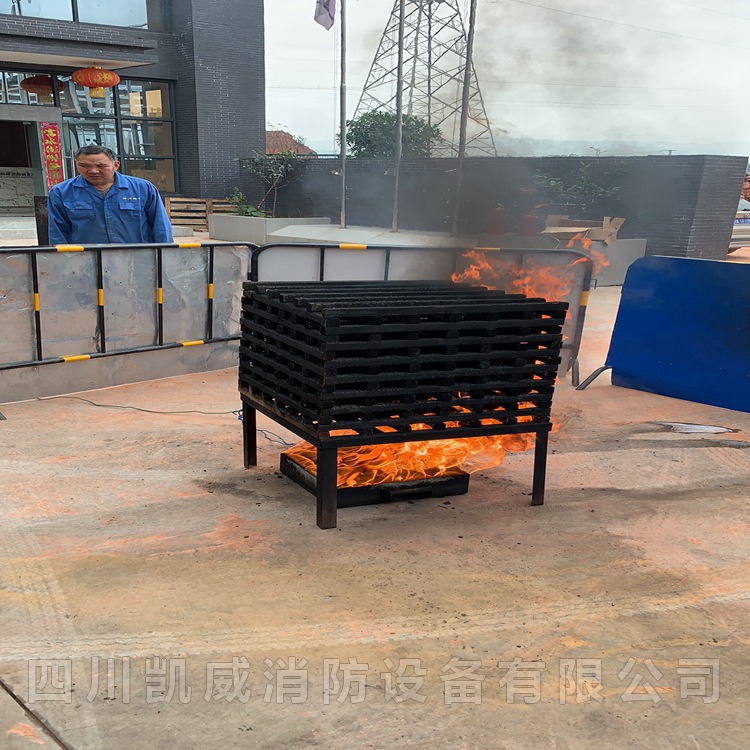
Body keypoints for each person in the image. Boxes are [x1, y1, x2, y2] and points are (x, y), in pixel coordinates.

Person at [47, 145, 174, 245]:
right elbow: (57, 232)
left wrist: (165, 257)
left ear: (116, 165)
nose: (93, 171)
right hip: (86, 260)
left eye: (101, 166)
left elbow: (161, 227)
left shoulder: (142, 189)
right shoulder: (61, 192)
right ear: (76, 164)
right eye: (84, 166)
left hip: (136, 259)